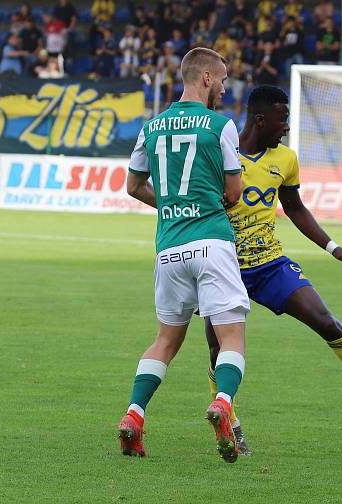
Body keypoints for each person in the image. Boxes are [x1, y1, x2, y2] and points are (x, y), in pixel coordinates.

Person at [204, 86, 342, 454]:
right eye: (282, 118)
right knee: (217, 347)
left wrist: (333, 247)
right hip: (223, 265)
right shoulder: (220, 153)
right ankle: (230, 422)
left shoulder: (286, 159)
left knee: (326, 321)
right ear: (260, 119)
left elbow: (294, 207)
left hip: (269, 264)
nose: (287, 126)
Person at [121, 47, 250, 463]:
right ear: (207, 78)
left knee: (165, 340)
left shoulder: (152, 126)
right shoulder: (221, 126)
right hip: (212, 240)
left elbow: (133, 185)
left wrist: (174, 205)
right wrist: (203, 203)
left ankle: (134, 416)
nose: (226, 87)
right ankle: (223, 404)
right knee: (231, 337)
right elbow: (233, 193)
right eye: (224, 78)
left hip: (169, 247)